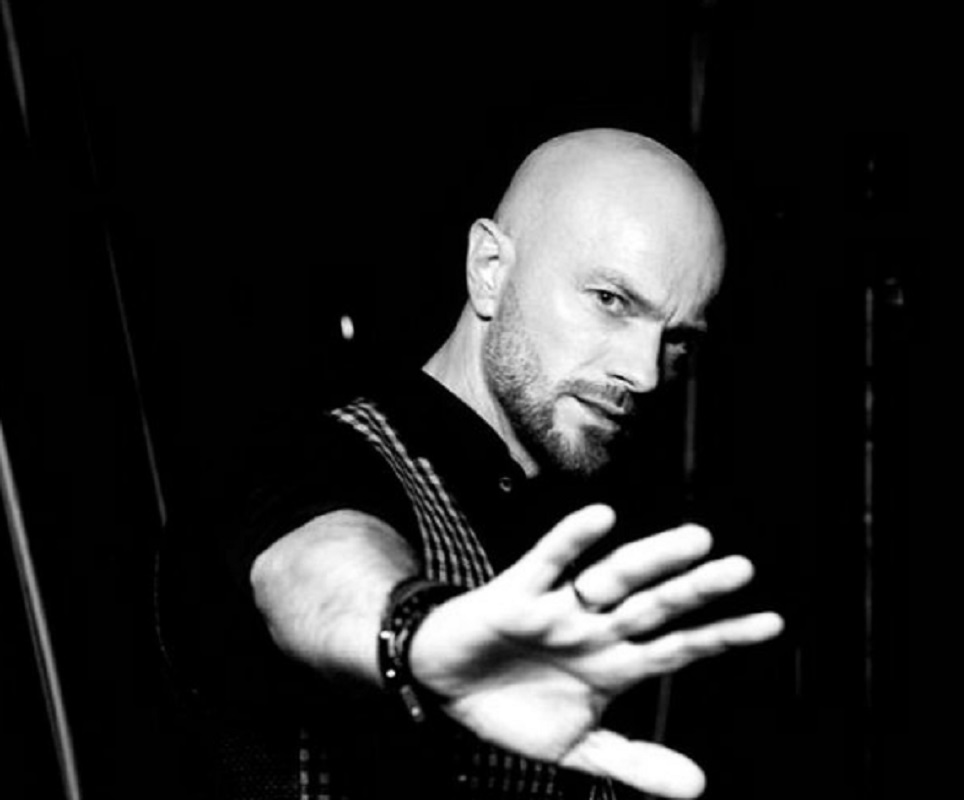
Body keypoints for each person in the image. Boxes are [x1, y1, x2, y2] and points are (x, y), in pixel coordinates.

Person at [170, 128, 783, 800]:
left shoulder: (580, 523)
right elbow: (316, 567)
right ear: (490, 268)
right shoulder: (320, 456)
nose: (644, 373)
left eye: (677, 339)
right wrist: (416, 632)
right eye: (611, 301)